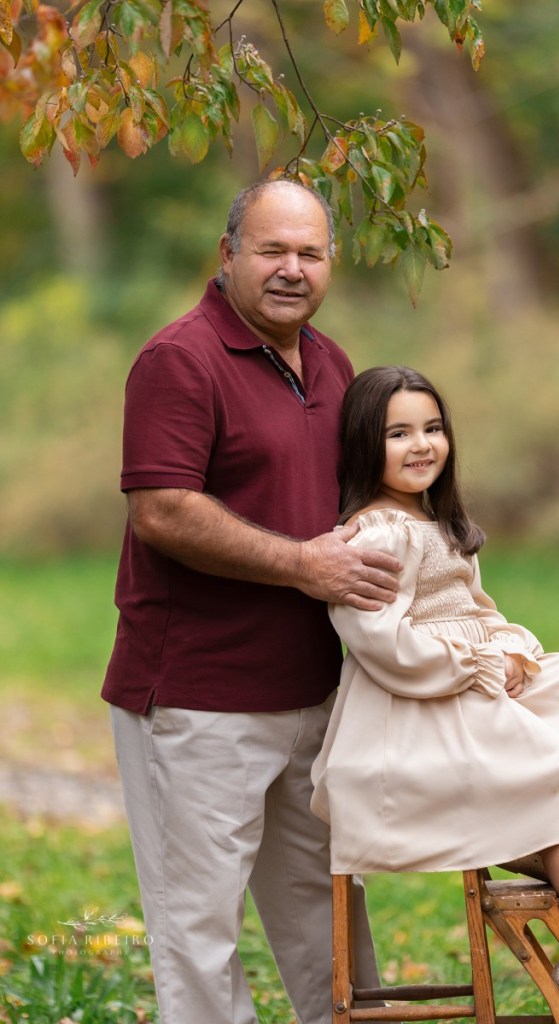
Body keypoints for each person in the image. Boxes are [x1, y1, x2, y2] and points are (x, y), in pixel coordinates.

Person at [101, 180, 403, 1024]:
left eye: (309, 253)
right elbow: (162, 510)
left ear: (330, 263)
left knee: (331, 923)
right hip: (200, 700)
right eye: (271, 250)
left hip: (315, 693)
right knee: (199, 933)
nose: (291, 270)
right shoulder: (180, 359)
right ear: (227, 254)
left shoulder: (333, 362)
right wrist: (303, 566)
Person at [310, 365, 559, 1024]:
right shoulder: (377, 534)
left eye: (432, 428)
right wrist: (474, 665)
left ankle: (550, 853)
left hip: (457, 690)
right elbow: (382, 644)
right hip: (408, 717)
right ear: (365, 445)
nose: (421, 444)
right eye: (398, 434)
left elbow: (480, 611)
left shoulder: (434, 523)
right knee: (554, 763)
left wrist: (507, 650)